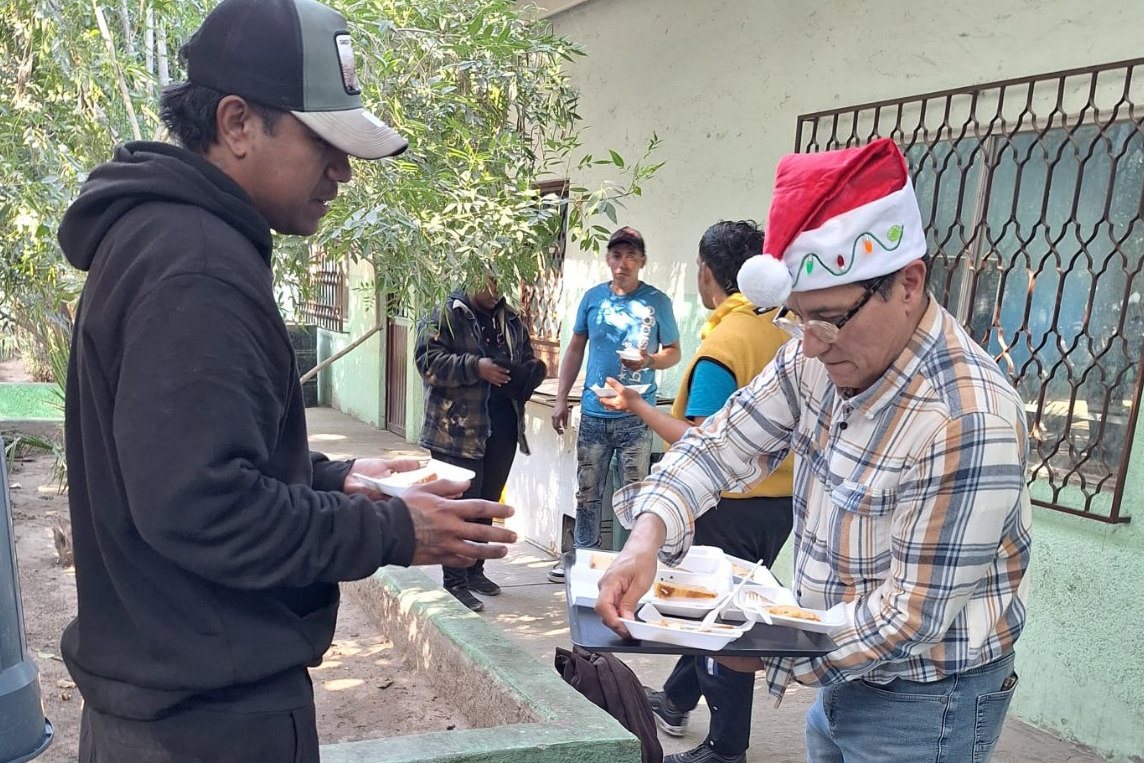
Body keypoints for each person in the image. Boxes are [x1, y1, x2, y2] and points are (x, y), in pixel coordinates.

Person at [55, 1, 516, 760]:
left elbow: (180, 462)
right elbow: (201, 507)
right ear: (237, 123)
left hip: (171, 706)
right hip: (205, 724)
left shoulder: (163, 238)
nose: (342, 169)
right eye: (322, 141)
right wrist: (395, 530)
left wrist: (332, 479)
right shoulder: (197, 266)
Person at [596, 138, 1032, 763]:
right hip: (834, 662)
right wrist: (647, 536)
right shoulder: (818, 356)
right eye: (795, 320)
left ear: (908, 284)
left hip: (928, 700)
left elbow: (908, 618)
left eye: (825, 319)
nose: (809, 345)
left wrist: (765, 648)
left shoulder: (965, 419)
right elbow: (717, 444)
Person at [598, 220, 794, 763]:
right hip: (779, 506)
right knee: (721, 607)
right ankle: (678, 699)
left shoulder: (724, 346)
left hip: (724, 505)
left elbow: (705, 443)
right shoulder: (785, 331)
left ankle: (725, 747)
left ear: (707, 272)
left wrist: (638, 406)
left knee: (716, 623)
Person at [548, 226, 682, 582]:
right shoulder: (593, 299)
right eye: (616, 255)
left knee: (637, 497)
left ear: (642, 262)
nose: (622, 264)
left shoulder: (656, 302)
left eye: (631, 257)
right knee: (588, 493)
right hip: (593, 414)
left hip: (635, 417)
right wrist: (562, 399)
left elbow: (674, 353)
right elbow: (576, 347)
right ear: (608, 259)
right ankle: (581, 561)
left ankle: (632, 564)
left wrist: (649, 361)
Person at [416, 277, 547, 612]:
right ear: (471, 276)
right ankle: (454, 582)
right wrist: (476, 368)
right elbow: (427, 361)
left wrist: (530, 372)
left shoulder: (512, 320)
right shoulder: (446, 313)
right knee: (462, 508)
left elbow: (527, 356)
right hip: (456, 430)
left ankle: (475, 571)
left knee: (487, 503)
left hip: (501, 426)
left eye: (500, 281)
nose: (494, 288)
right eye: (487, 280)